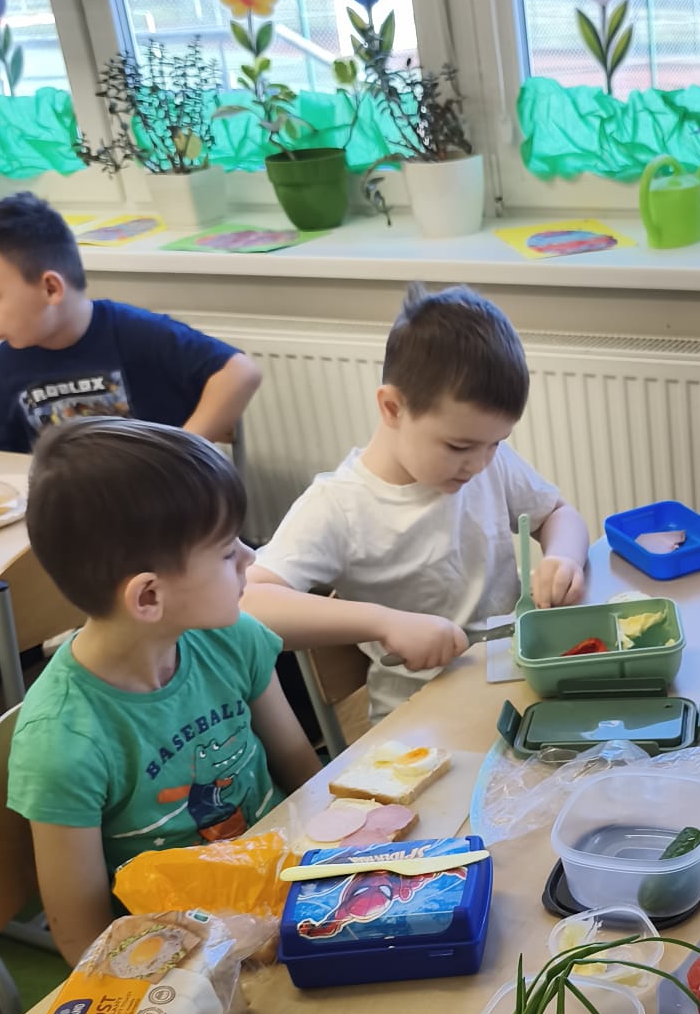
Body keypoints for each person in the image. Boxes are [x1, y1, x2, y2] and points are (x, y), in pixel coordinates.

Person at [7, 418, 320, 965]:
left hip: (291, 892)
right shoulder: (63, 743)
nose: (250, 556)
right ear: (149, 596)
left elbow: (304, 780)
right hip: (190, 959)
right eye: (225, 552)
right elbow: (85, 941)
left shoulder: (232, 638)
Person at [244, 284, 590, 722]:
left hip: (516, 685)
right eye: (459, 446)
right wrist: (384, 623)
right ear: (392, 408)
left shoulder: (489, 462)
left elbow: (558, 514)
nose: (479, 464)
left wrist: (564, 557)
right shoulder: (339, 506)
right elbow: (247, 604)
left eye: (496, 443)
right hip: (419, 721)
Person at [0, 193, 262, 452]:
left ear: (51, 288)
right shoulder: (1, 370)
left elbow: (240, 372)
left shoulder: (136, 333)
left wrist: (181, 452)